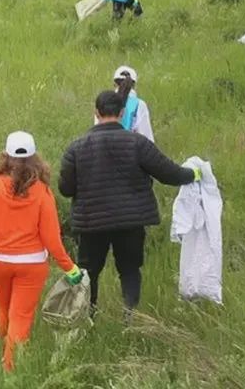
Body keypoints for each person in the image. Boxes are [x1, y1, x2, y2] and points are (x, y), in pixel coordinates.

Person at [59, 84, 199, 318]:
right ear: (122, 113)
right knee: (130, 270)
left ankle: (88, 318)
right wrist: (194, 174)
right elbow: (169, 174)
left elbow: (65, 189)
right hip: (131, 221)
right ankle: (130, 316)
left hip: (92, 222)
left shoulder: (76, 148)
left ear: (96, 112)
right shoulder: (137, 143)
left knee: (89, 272)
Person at [0, 131, 83, 372]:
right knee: (21, 317)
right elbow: (51, 238)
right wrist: (70, 268)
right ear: (35, 159)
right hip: (31, 265)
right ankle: (10, 371)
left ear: (5, 156)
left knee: (4, 309)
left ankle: (2, 351)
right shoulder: (42, 192)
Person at [112, 65, 154, 142]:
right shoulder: (139, 104)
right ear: (134, 85)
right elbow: (146, 136)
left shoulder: (104, 101)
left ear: (114, 84)